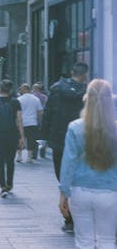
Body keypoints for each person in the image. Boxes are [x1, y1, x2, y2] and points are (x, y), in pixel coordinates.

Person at [59, 79, 117, 249]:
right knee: (107, 240)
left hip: (80, 191)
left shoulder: (75, 127)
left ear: (87, 98)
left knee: (83, 242)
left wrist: (64, 192)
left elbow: (68, 163)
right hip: (110, 191)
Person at [42, 62, 88, 233]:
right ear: (84, 75)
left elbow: (47, 113)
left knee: (63, 177)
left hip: (58, 139)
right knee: (79, 176)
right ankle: (79, 215)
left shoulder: (55, 89)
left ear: (71, 72)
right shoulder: (87, 92)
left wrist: (44, 136)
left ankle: (69, 218)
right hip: (81, 139)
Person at [0, 79, 24, 198]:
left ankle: (2, 186)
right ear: (10, 89)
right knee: (10, 161)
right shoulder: (15, 102)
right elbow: (19, 120)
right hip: (12, 134)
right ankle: (9, 184)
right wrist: (21, 136)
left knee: (0, 162)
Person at [17, 83, 43, 163]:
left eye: (21, 89)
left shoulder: (19, 99)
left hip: (22, 122)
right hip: (32, 122)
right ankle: (29, 157)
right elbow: (40, 112)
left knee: (20, 138)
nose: (20, 90)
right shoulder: (36, 99)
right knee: (31, 139)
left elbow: (16, 112)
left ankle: (19, 156)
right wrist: (39, 121)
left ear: (25, 89)